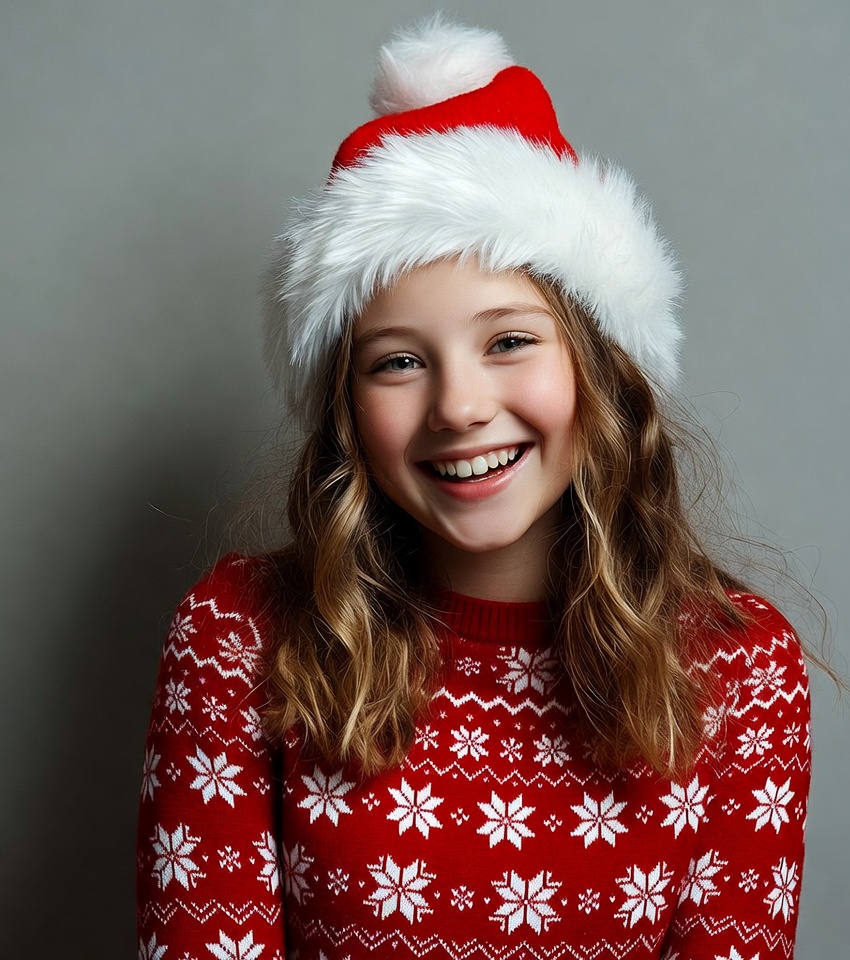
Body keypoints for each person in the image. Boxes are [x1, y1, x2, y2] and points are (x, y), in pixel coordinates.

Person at [137, 16, 812, 960]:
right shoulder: (239, 640)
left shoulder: (741, 672)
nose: (459, 407)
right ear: (346, 410)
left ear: (600, 369)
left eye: (508, 341)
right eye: (399, 361)